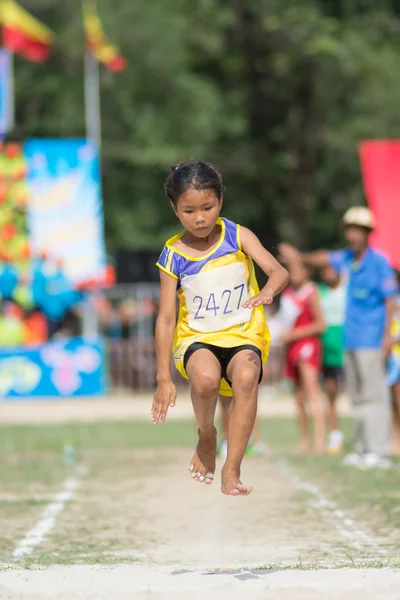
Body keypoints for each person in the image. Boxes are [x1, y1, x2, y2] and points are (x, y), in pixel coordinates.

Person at [151, 159, 289, 496]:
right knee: (206, 378)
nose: (199, 218)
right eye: (188, 210)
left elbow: (279, 272)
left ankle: (232, 469)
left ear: (220, 201)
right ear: (174, 208)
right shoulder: (172, 254)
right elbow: (166, 317)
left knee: (245, 376)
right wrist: (163, 378)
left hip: (244, 333)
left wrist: (268, 292)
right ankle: (206, 433)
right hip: (197, 337)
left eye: (207, 207)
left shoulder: (237, 236)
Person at [280, 206, 399, 468]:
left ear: (368, 233)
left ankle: (378, 449)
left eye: (359, 230)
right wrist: (299, 255)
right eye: (350, 229)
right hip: (351, 339)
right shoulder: (347, 258)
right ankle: (362, 447)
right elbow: (323, 258)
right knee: (356, 395)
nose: (353, 235)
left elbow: (391, 301)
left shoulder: (378, 262)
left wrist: (387, 338)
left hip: (372, 338)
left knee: (374, 394)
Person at [280, 255, 326, 453]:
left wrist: (296, 333)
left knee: (312, 391)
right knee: (298, 396)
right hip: (290, 347)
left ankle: (321, 439)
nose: (293, 274)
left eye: (297, 270)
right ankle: (305, 438)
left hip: (307, 345)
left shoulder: (311, 292)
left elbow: (321, 324)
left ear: (306, 272)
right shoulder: (288, 293)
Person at [318, 265, 346, 453]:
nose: (328, 275)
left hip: (347, 346)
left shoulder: (347, 290)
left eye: (332, 271)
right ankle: (335, 436)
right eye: (325, 271)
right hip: (327, 349)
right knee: (331, 394)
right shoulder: (320, 292)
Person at [387, 278, 400, 453]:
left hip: (397, 354)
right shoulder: (387, 300)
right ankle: (394, 435)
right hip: (388, 355)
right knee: (390, 398)